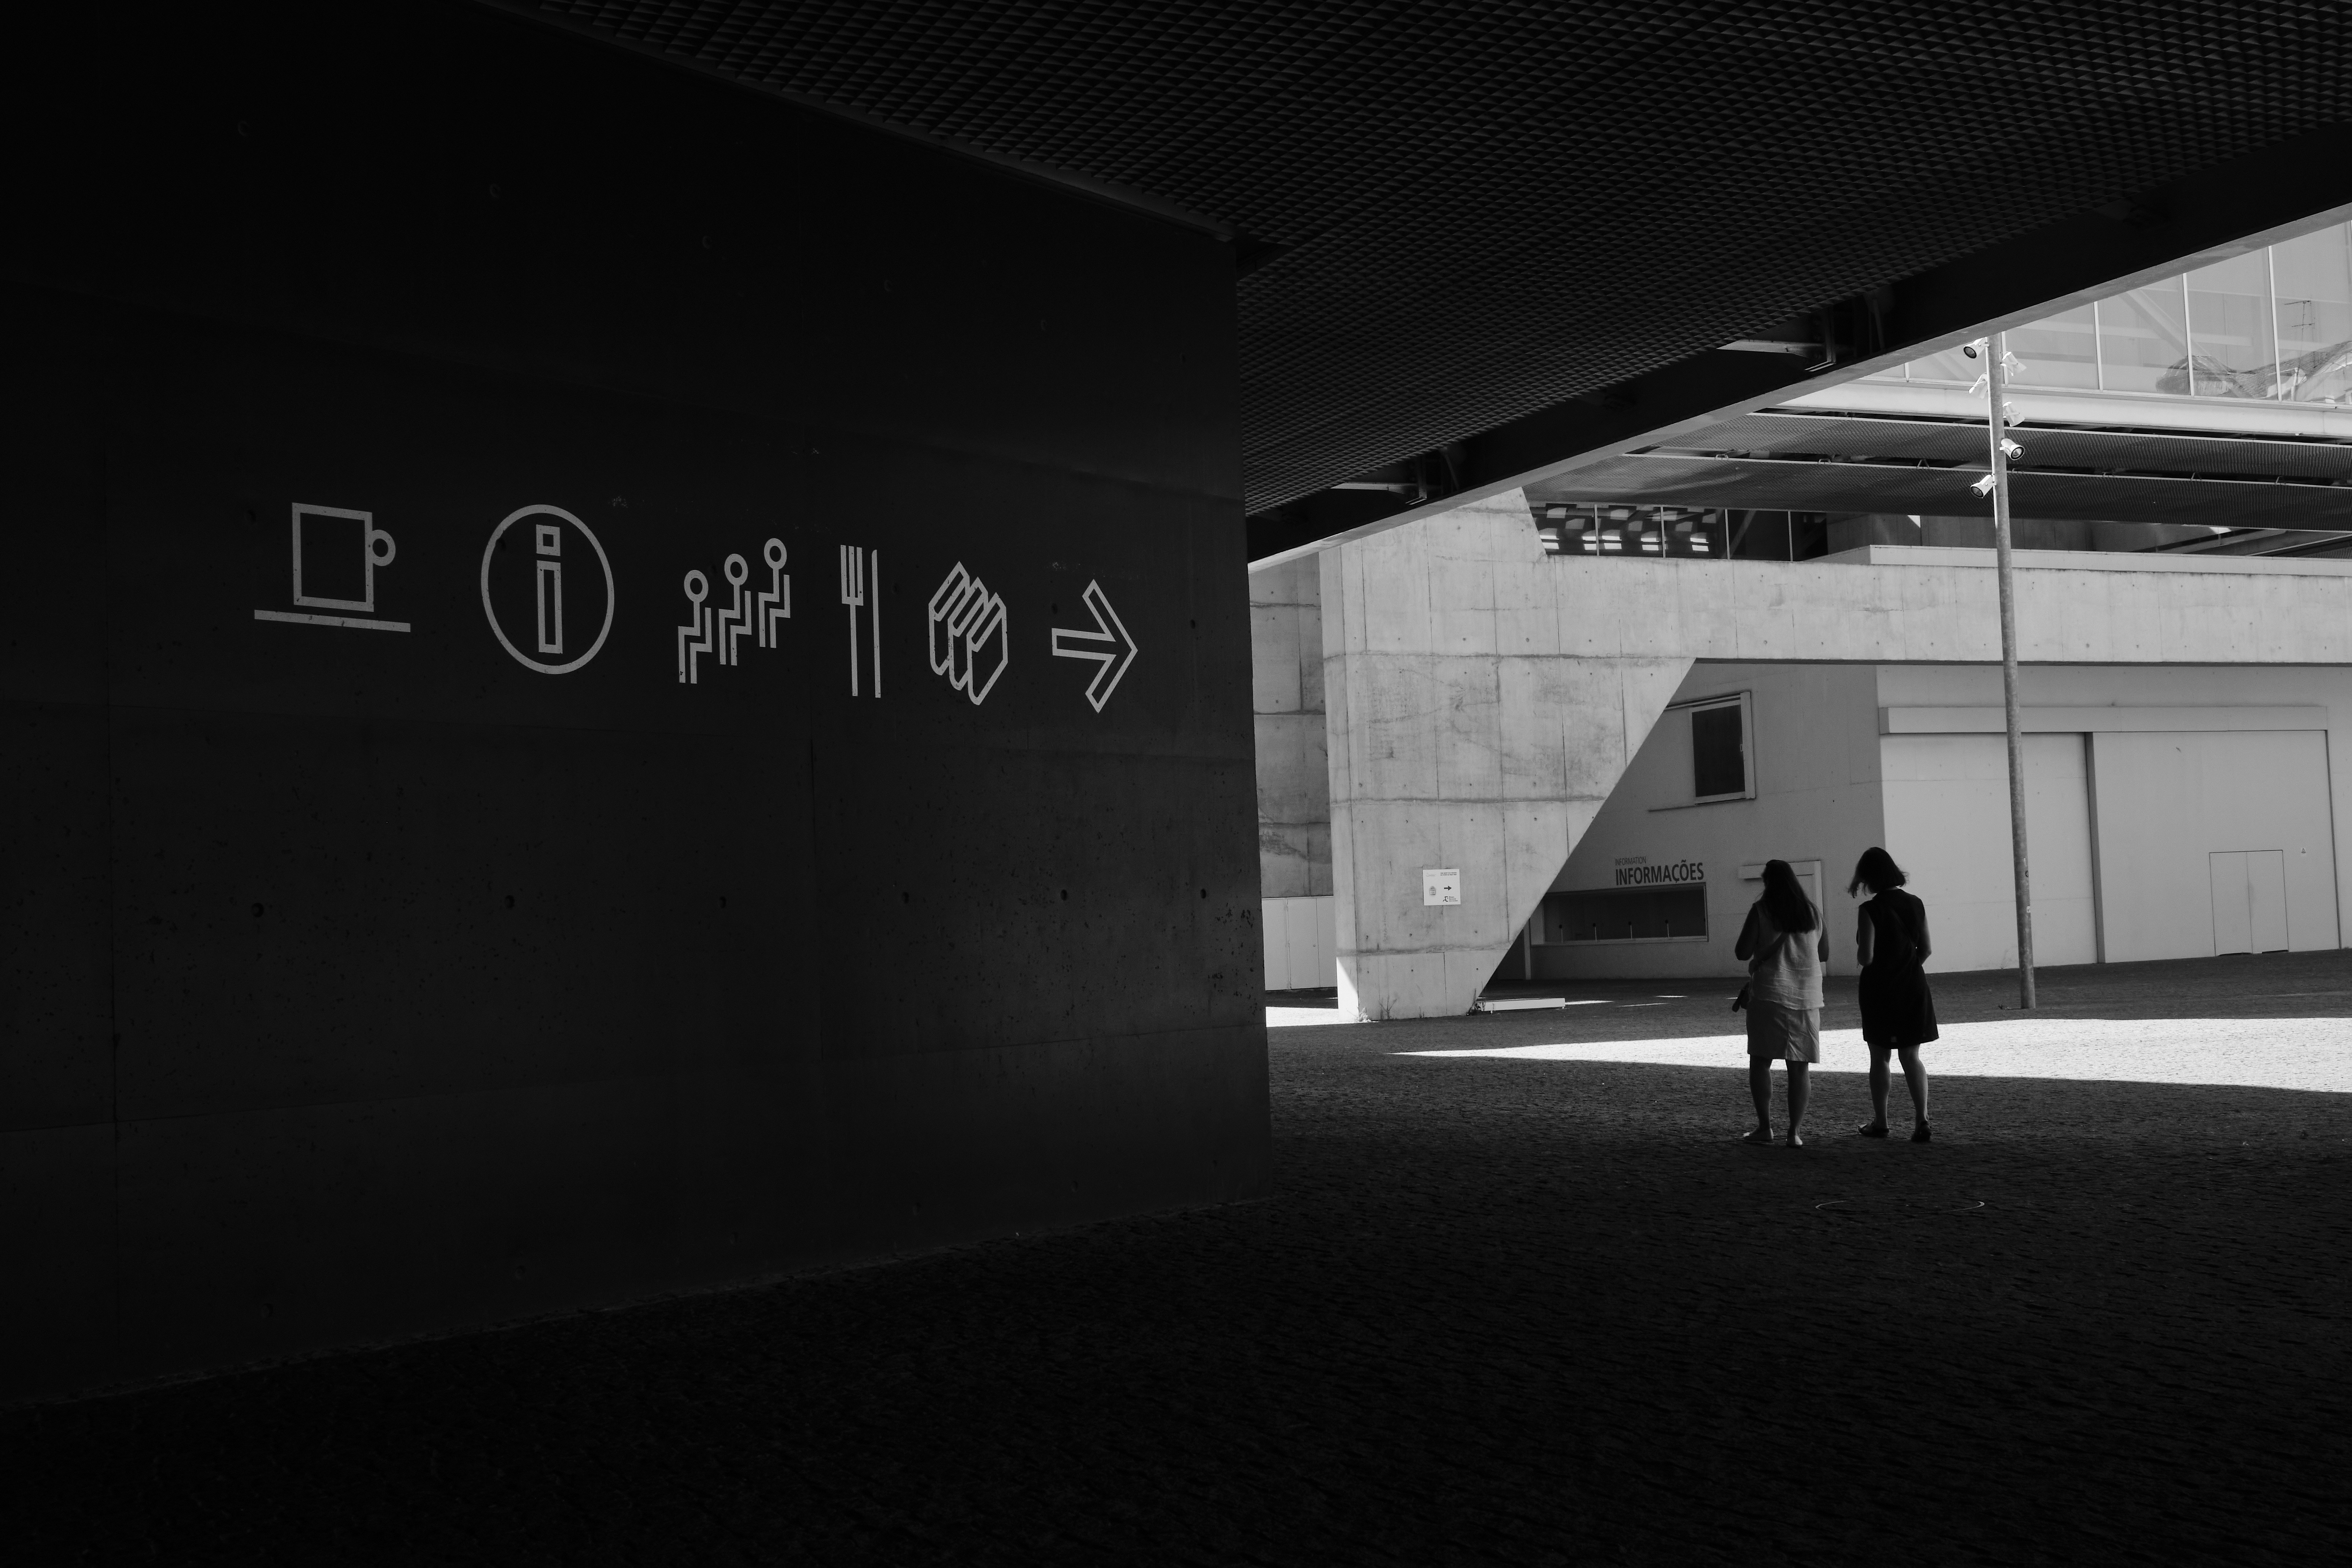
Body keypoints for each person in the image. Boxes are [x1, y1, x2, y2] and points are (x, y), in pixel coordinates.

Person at [1734, 860, 1829, 1146]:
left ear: (1767, 882)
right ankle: (1795, 1133)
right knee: (1799, 1068)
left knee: (1761, 1062)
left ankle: (1765, 1128)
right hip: (1806, 998)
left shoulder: (1761, 910)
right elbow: (1824, 953)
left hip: (1769, 996)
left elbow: (1741, 952)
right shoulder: (1812, 912)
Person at [1850, 846, 1938, 1142]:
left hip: (1879, 989)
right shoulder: (1916, 904)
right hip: (1912, 985)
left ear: (1869, 878)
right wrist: (1907, 967)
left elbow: (1866, 958)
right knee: (1911, 1056)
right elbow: (1925, 949)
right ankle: (1922, 1120)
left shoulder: (1869, 910)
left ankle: (1882, 1121)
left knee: (1880, 1056)